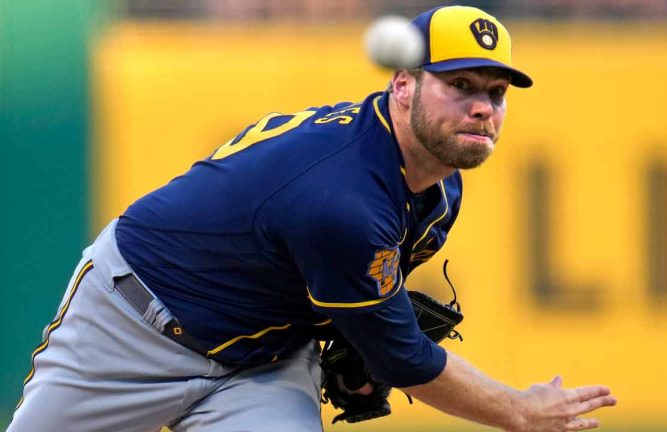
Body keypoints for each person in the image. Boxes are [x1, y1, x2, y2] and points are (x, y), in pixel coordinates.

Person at [9, 5, 616, 432]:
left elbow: (346, 299)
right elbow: (404, 361)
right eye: (460, 84)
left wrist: (352, 339)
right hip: (134, 326)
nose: (482, 106)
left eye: (497, 93)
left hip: (262, 361)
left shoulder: (438, 184)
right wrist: (519, 410)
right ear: (403, 86)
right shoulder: (344, 197)